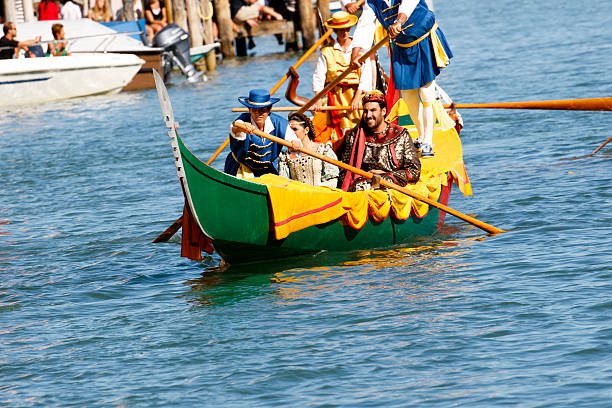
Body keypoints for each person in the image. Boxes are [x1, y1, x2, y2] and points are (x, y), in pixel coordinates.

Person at [350, 0, 453, 157]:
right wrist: (355, 53)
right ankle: (421, 135)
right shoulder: (372, 2)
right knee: (408, 96)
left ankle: (428, 142)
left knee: (426, 93)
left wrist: (399, 21)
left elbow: (408, 4)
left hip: (422, 41)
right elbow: (365, 26)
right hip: (402, 48)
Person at [337, 90, 420, 191]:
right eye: (366, 111)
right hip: (362, 187)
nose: (368, 115)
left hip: (393, 187)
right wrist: (365, 177)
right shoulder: (354, 136)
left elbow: (414, 171)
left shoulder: (401, 135)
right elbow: (345, 171)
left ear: (383, 111)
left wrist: (384, 176)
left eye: (373, 110)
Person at [312, 11, 373, 144]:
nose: (344, 32)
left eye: (346, 29)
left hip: (357, 93)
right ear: (334, 30)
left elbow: (366, 76)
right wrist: (317, 99)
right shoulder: (326, 52)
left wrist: (357, 97)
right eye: (340, 30)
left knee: (359, 123)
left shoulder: (359, 50)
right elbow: (318, 77)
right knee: (341, 127)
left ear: (350, 28)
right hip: (336, 95)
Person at [224, 89, 303, 178]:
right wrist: (242, 128)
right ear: (249, 110)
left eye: (262, 110)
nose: (258, 114)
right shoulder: (242, 121)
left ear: (269, 110)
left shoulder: (279, 122)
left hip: (266, 169)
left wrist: (295, 143)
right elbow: (234, 128)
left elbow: (293, 138)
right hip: (241, 168)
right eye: (254, 110)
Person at [278, 112, 339, 187]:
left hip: (321, 194)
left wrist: (315, 190)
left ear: (306, 130)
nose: (291, 134)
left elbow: (332, 180)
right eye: (290, 131)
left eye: (295, 129)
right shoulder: (286, 156)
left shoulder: (323, 150)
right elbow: (284, 182)